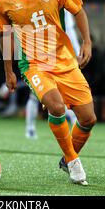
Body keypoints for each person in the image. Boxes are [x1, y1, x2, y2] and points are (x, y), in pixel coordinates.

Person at [0, 0, 96, 185]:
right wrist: (8, 71)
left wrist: (87, 42)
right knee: (57, 107)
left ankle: (66, 159)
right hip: (33, 64)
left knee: (88, 119)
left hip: (64, 60)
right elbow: (6, 36)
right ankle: (73, 161)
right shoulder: (3, 1)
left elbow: (78, 10)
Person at [25, 9, 79, 140]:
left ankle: (31, 129)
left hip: (58, 52)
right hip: (44, 52)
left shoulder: (62, 5)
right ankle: (30, 128)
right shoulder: (42, 1)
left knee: (62, 92)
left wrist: (76, 52)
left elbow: (69, 29)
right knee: (38, 94)